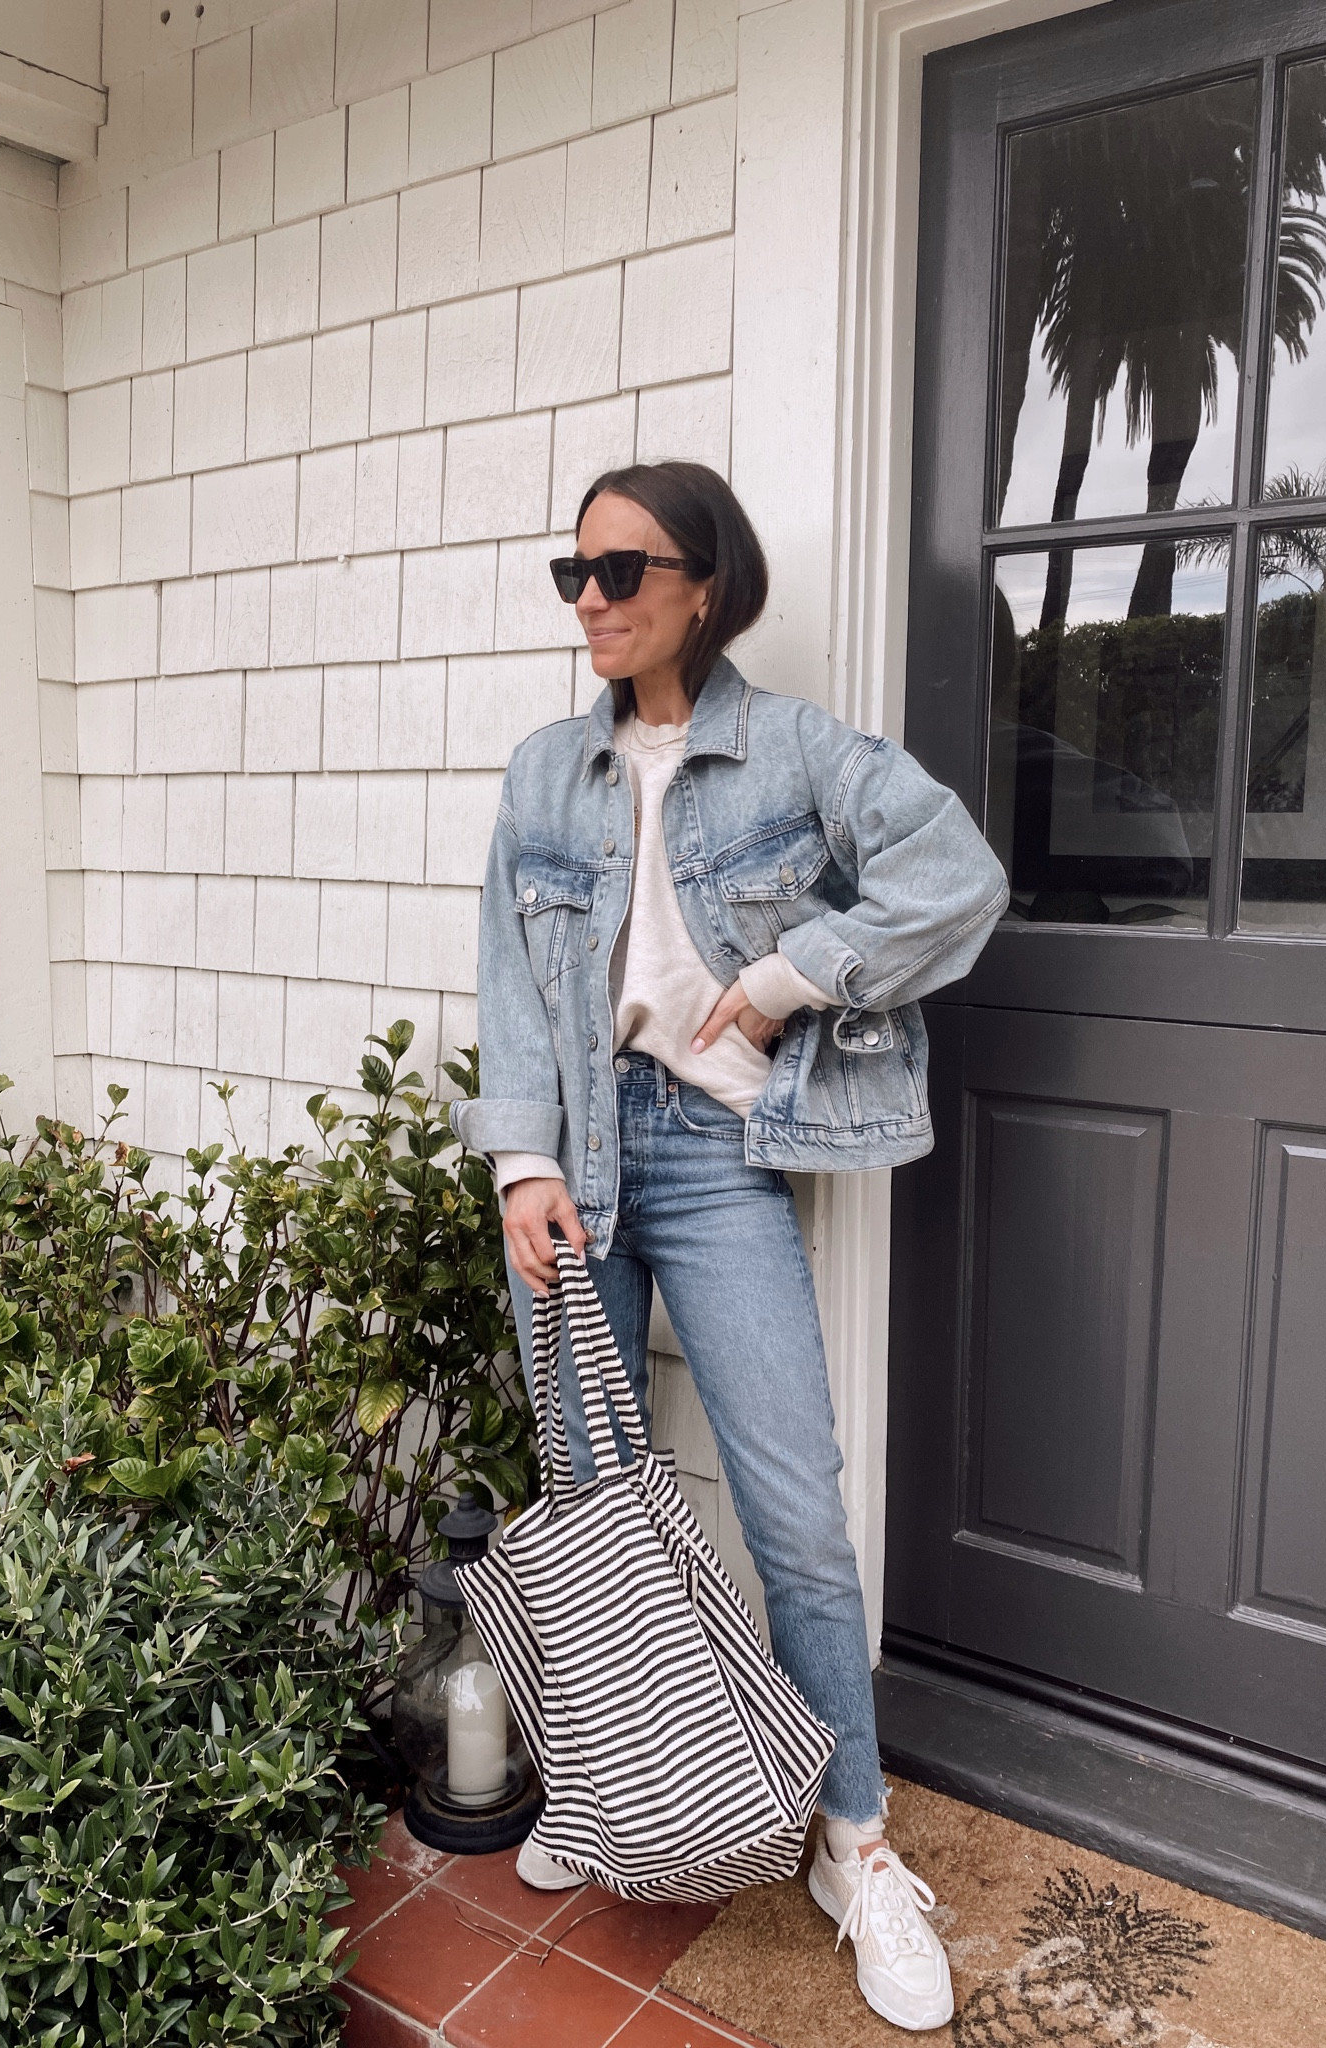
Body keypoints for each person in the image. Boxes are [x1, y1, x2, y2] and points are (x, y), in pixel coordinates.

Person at [450, 462, 1007, 2034]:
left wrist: (788, 981)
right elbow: (505, 970)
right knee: (587, 1499)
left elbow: (953, 882)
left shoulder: (793, 751)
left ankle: (853, 1838)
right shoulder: (545, 771)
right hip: (571, 1164)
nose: (595, 599)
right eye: (573, 572)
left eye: (625, 570)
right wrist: (521, 1165)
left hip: (708, 1160)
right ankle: (606, 1793)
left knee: (797, 1508)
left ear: (708, 583)